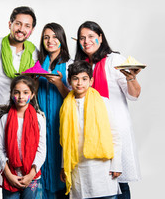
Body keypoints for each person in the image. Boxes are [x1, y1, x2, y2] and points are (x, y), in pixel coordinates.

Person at [74, 21, 142, 199]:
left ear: (100, 38)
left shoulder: (115, 61)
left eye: (90, 36)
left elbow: (133, 95)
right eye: (82, 38)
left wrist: (132, 78)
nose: (86, 41)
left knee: (119, 178)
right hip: (91, 132)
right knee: (99, 182)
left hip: (115, 130)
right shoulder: (81, 66)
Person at [0, 6, 39, 199]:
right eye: (18, 23)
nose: (21, 29)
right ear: (10, 24)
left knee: (20, 172)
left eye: (27, 26)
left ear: (31, 30)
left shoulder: (34, 52)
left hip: (22, 120)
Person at [59, 61, 122, 199]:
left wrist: (117, 164)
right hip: (78, 168)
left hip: (103, 167)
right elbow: (66, 140)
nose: (79, 83)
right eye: (75, 78)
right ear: (69, 81)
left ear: (91, 81)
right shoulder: (66, 106)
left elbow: (115, 135)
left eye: (84, 78)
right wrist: (64, 165)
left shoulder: (103, 102)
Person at [36, 23, 72, 199]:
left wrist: (58, 83)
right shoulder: (38, 65)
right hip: (42, 125)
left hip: (62, 123)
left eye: (54, 37)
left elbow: (75, 99)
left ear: (61, 39)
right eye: (46, 37)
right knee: (43, 164)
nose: (50, 41)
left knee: (61, 166)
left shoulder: (70, 65)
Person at [0, 75, 46, 199]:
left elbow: (41, 150)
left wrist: (30, 175)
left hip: (32, 176)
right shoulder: (5, 119)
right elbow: (0, 150)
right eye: (16, 92)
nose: (21, 97)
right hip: (11, 176)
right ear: (11, 94)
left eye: (25, 92)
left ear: (32, 95)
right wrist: (8, 174)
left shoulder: (39, 119)